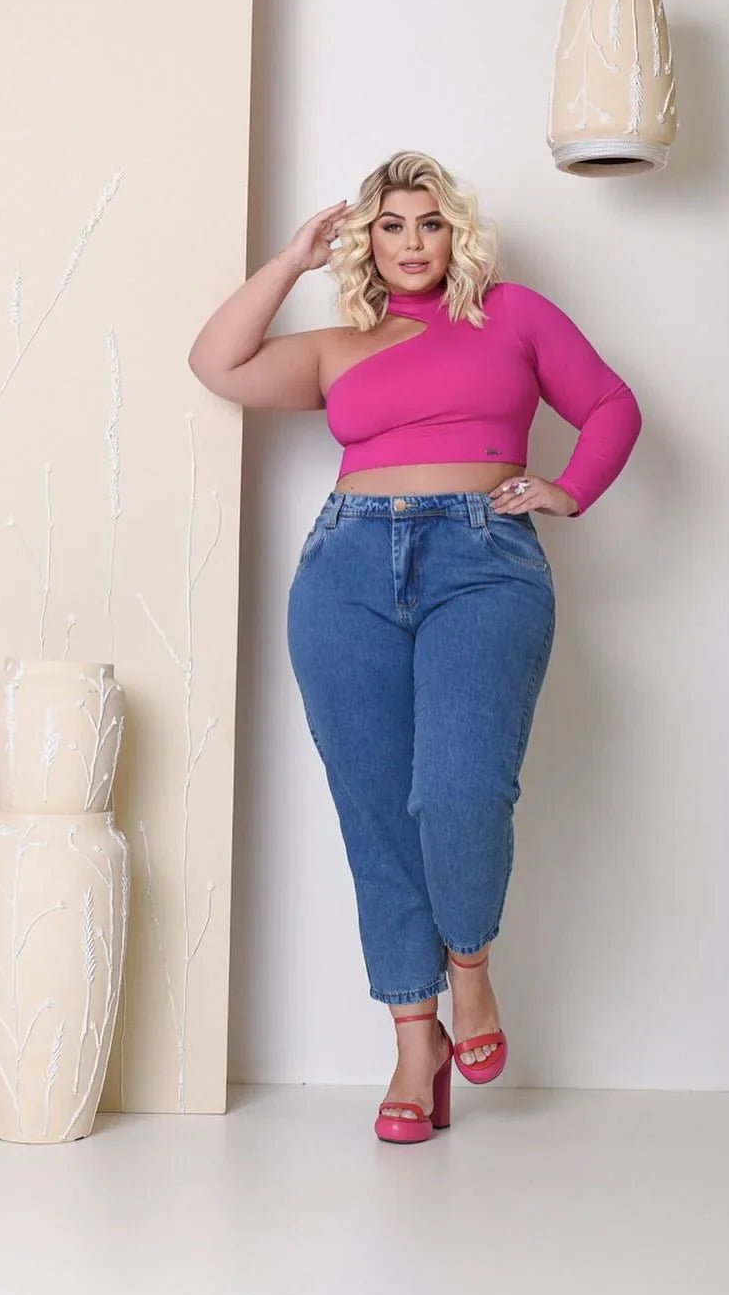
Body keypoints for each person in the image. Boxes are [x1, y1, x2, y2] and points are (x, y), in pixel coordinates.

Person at [188, 150, 642, 1144]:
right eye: (389, 225)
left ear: (456, 233)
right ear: (366, 239)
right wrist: (293, 258)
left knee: (460, 787)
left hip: (482, 561)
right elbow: (216, 363)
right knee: (375, 814)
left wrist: (569, 490)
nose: (410, 242)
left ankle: (469, 968)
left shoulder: (513, 314)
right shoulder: (339, 345)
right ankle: (412, 1041)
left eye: (429, 222)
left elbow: (613, 406)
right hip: (345, 569)